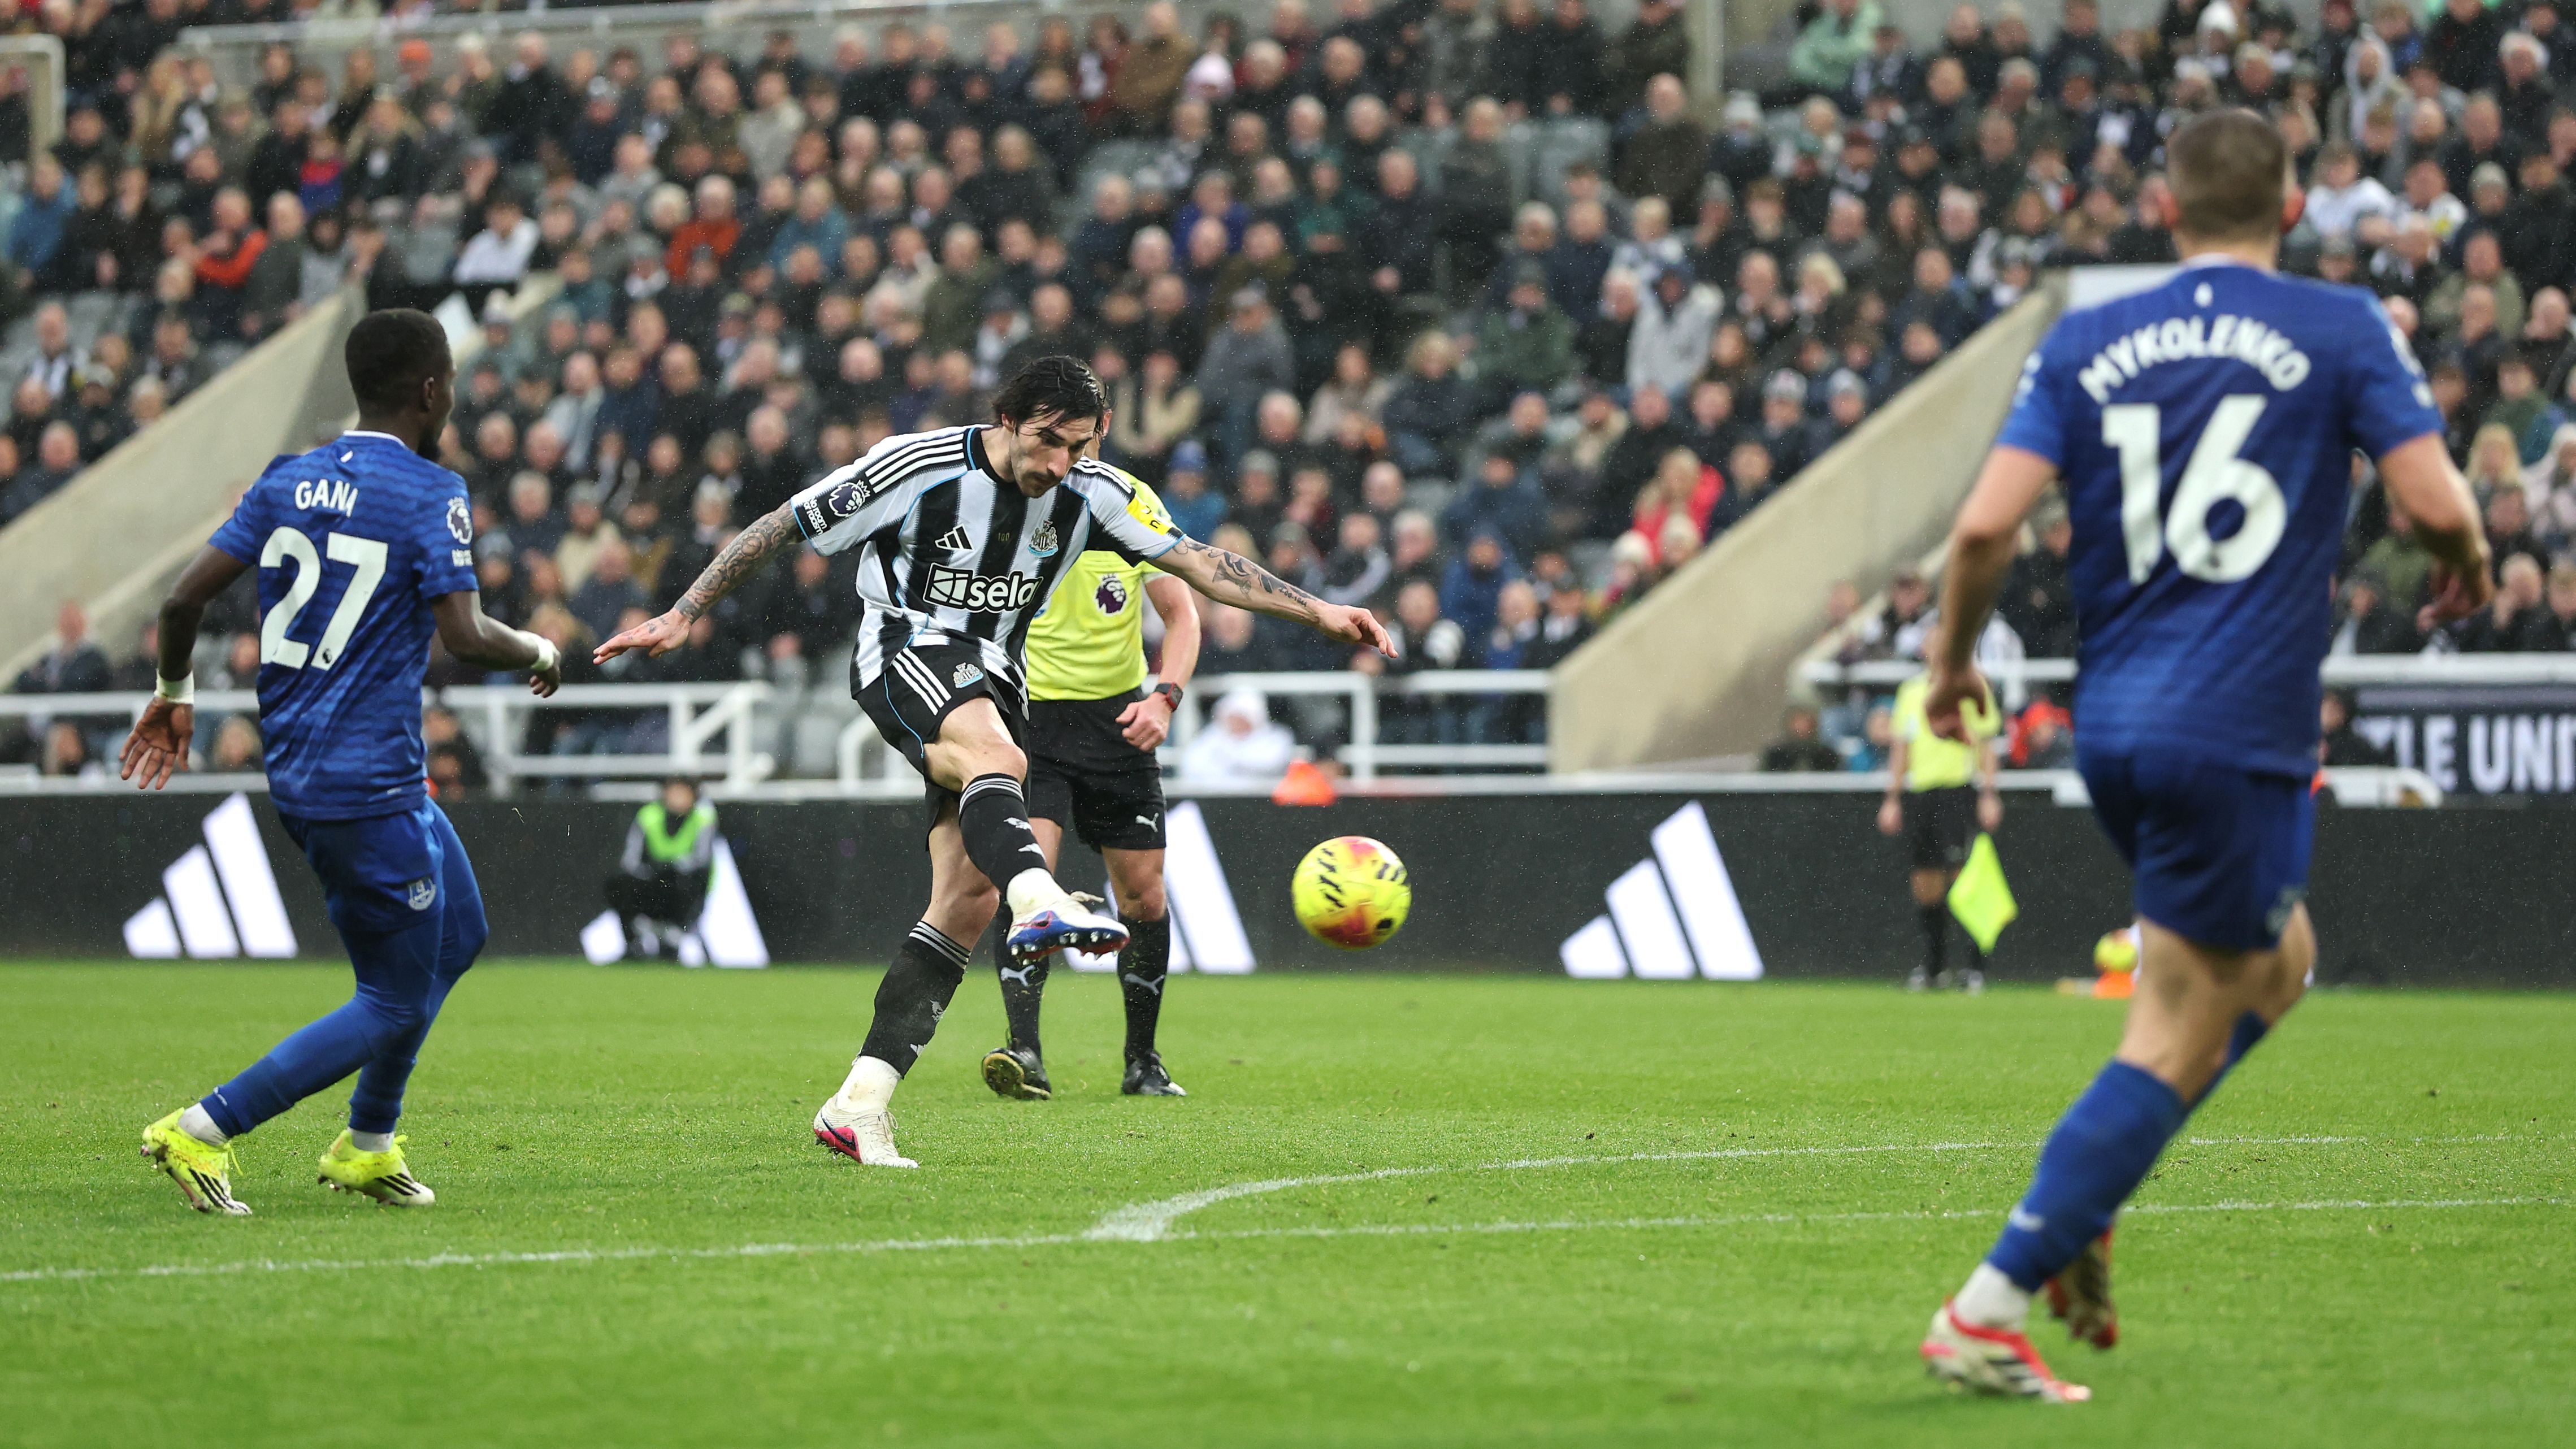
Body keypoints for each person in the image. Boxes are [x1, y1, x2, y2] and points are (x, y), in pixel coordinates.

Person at [1915, 110, 2492, 1401]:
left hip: (2115, 731)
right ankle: (1990, 1299)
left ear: (2164, 213)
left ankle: (2090, 1195)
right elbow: (2438, 505)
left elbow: (1979, 533)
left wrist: (1954, 666)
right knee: (2177, 1025)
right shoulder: (2337, 328)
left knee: (2274, 966)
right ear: (2291, 209)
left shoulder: (2087, 337)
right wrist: (2465, 564)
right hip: (2236, 735)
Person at [595, 356, 1393, 1168]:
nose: (1057, 464)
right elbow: (783, 524)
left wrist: (1318, 608)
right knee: (999, 756)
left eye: (1076, 446)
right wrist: (684, 611)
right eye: (1046, 441)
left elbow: (1202, 565)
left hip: (996, 676)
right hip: (903, 645)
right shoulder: (916, 467)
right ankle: (1041, 895)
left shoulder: (1097, 494)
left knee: (965, 901)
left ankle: (858, 1104)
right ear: (1007, 419)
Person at [120, 309, 563, 1216]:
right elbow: (466, 637)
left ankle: (367, 1142)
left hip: (318, 770)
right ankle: (202, 1128)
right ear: (433, 390)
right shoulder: (430, 490)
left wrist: (176, 691)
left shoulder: (289, 478)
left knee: (460, 932)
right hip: (366, 786)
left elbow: (181, 600)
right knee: (393, 1000)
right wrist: (539, 651)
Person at [981, 457, 1202, 1103]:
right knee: (1031, 880)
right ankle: (1025, 1050)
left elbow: (1183, 616)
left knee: (1144, 898)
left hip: (1119, 723)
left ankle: (1143, 1061)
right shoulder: (1011, 502)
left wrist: (1165, 697)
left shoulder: (1130, 503)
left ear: (1098, 428)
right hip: (1034, 724)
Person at [1877, 661, 2001, 992]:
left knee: (1963, 879)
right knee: (1925, 880)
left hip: (1957, 790)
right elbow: (1901, 748)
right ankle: (1935, 967)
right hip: (1920, 794)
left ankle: (1975, 967)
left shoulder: (1971, 688)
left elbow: (1986, 744)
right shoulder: (1911, 691)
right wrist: (1893, 798)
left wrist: (1989, 793)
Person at [605, 776, 721, 958]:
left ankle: (671, 940)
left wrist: (673, 867)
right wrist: (651, 872)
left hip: (685, 885)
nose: (678, 798)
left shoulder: (703, 819)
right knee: (618, 885)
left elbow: (702, 860)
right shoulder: (649, 815)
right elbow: (630, 860)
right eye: (674, 792)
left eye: (684, 793)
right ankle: (634, 943)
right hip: (653, 881)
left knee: (677, 881)